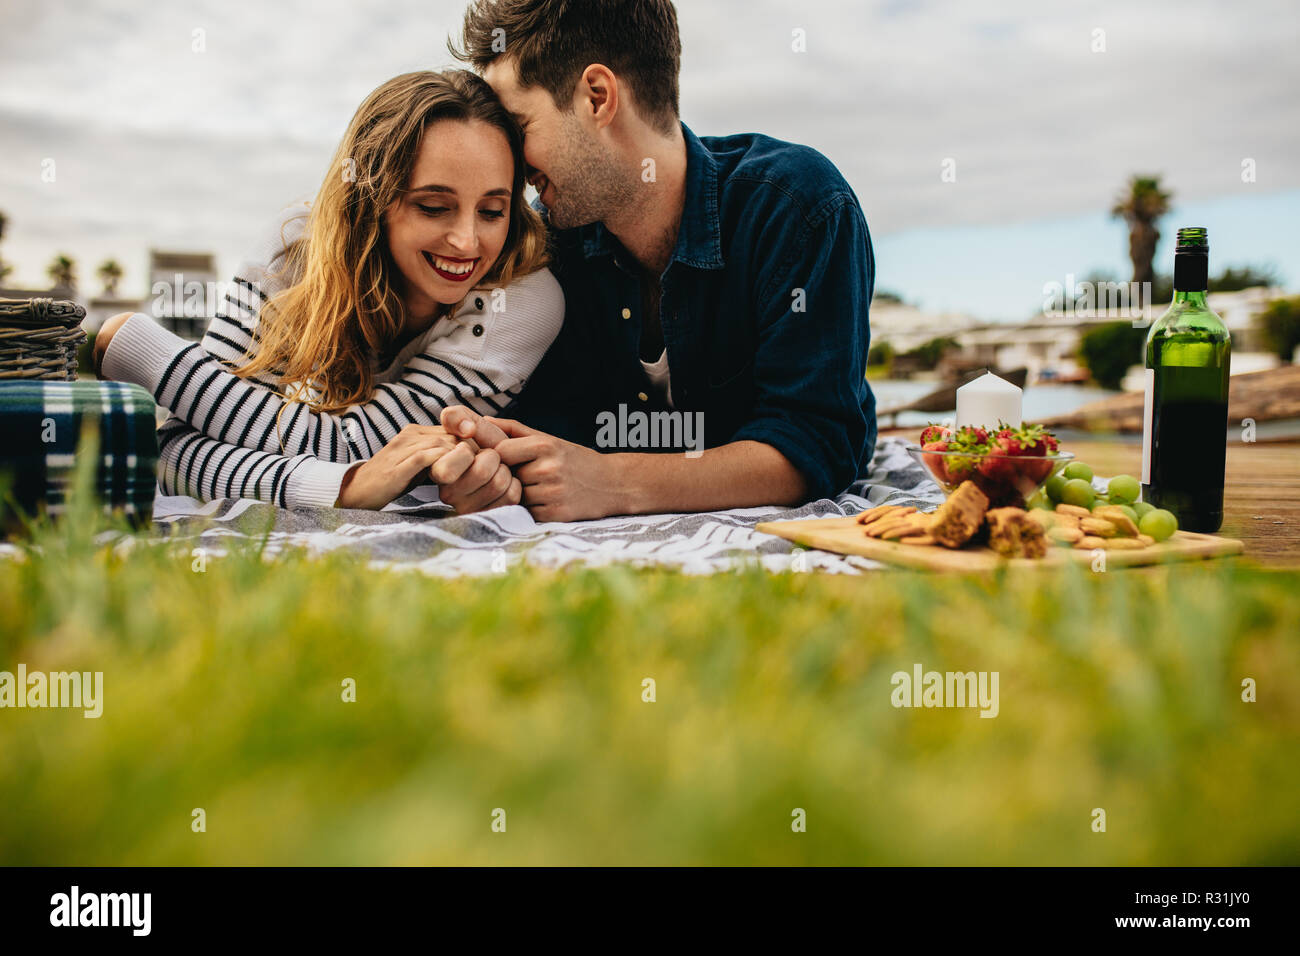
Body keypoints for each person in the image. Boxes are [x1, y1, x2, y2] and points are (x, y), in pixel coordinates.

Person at [437, 0, 878, 523]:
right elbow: (551, 428)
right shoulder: (552, 244)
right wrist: (494, 473)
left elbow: (816, 443)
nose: (511, 165)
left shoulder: (798, 208)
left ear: (597, 98)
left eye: (519, 127)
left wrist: (615, 483)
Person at [95, 69, 564, 512]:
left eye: (491, 211)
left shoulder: (523, 299)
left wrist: (140, 351)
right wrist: (343, 487)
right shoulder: (297, 245)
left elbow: (356, 447)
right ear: (374, 198)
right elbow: (175, 453)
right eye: (434, 206)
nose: (466, 241)